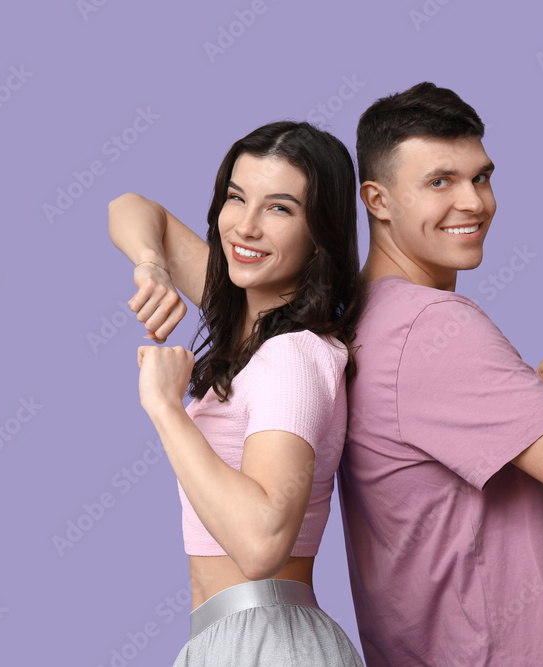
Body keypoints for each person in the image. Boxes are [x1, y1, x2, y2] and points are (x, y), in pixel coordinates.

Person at [337, 82, 543, 666]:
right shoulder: (429, 326)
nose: (474, 202)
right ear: (376, 200)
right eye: (439, 181)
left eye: (480, 176)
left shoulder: (360, 318)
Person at [108, 121, 365, 666]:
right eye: (235, 197)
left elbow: (261, 543)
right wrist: (152, 268)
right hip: (235, 639)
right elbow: (130, 207)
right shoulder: (247, 325)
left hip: (268, 642)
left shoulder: (292, 355)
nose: (245, 228)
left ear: (319, 233)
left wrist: (165, 408)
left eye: (279, 208)